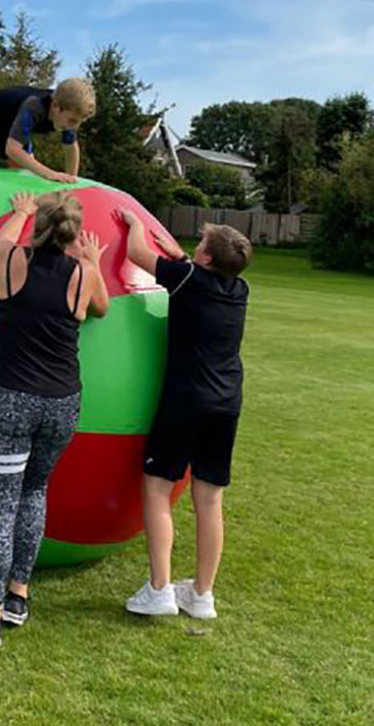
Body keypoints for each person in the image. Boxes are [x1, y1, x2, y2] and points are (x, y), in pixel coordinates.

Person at [0, 191, 110, 648]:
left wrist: (21, 212)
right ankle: (19, 595)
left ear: (40, 226)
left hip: (8, 400)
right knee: (35, 491)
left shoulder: (10, 262)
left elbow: (1, 242)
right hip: (61, 404)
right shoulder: (82, 274)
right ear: (71, 233)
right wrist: (93, 260)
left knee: (2, 506)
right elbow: (102, 307)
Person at [115, 211, 253, 620]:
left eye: (202, 245)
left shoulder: (189, 279)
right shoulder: (239, 288)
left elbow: (137, 252)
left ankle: (160, 590)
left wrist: (134, 222)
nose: (196, 249)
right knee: (210, 500)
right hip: (226, 403)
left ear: (207, 259)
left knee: (157, 489)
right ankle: (202, 595)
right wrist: (183, 258)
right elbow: (194, 270)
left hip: (186, 401)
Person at [0, 79, 96, 183]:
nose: (75, 127)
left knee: (23, 174)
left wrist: (71, 181)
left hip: (10, 126)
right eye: (73, 121)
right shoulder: (35, 106)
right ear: (55, 106)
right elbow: (12, 150)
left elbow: (71, 148)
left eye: (79, 122)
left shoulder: (68, 114)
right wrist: (50, 174)